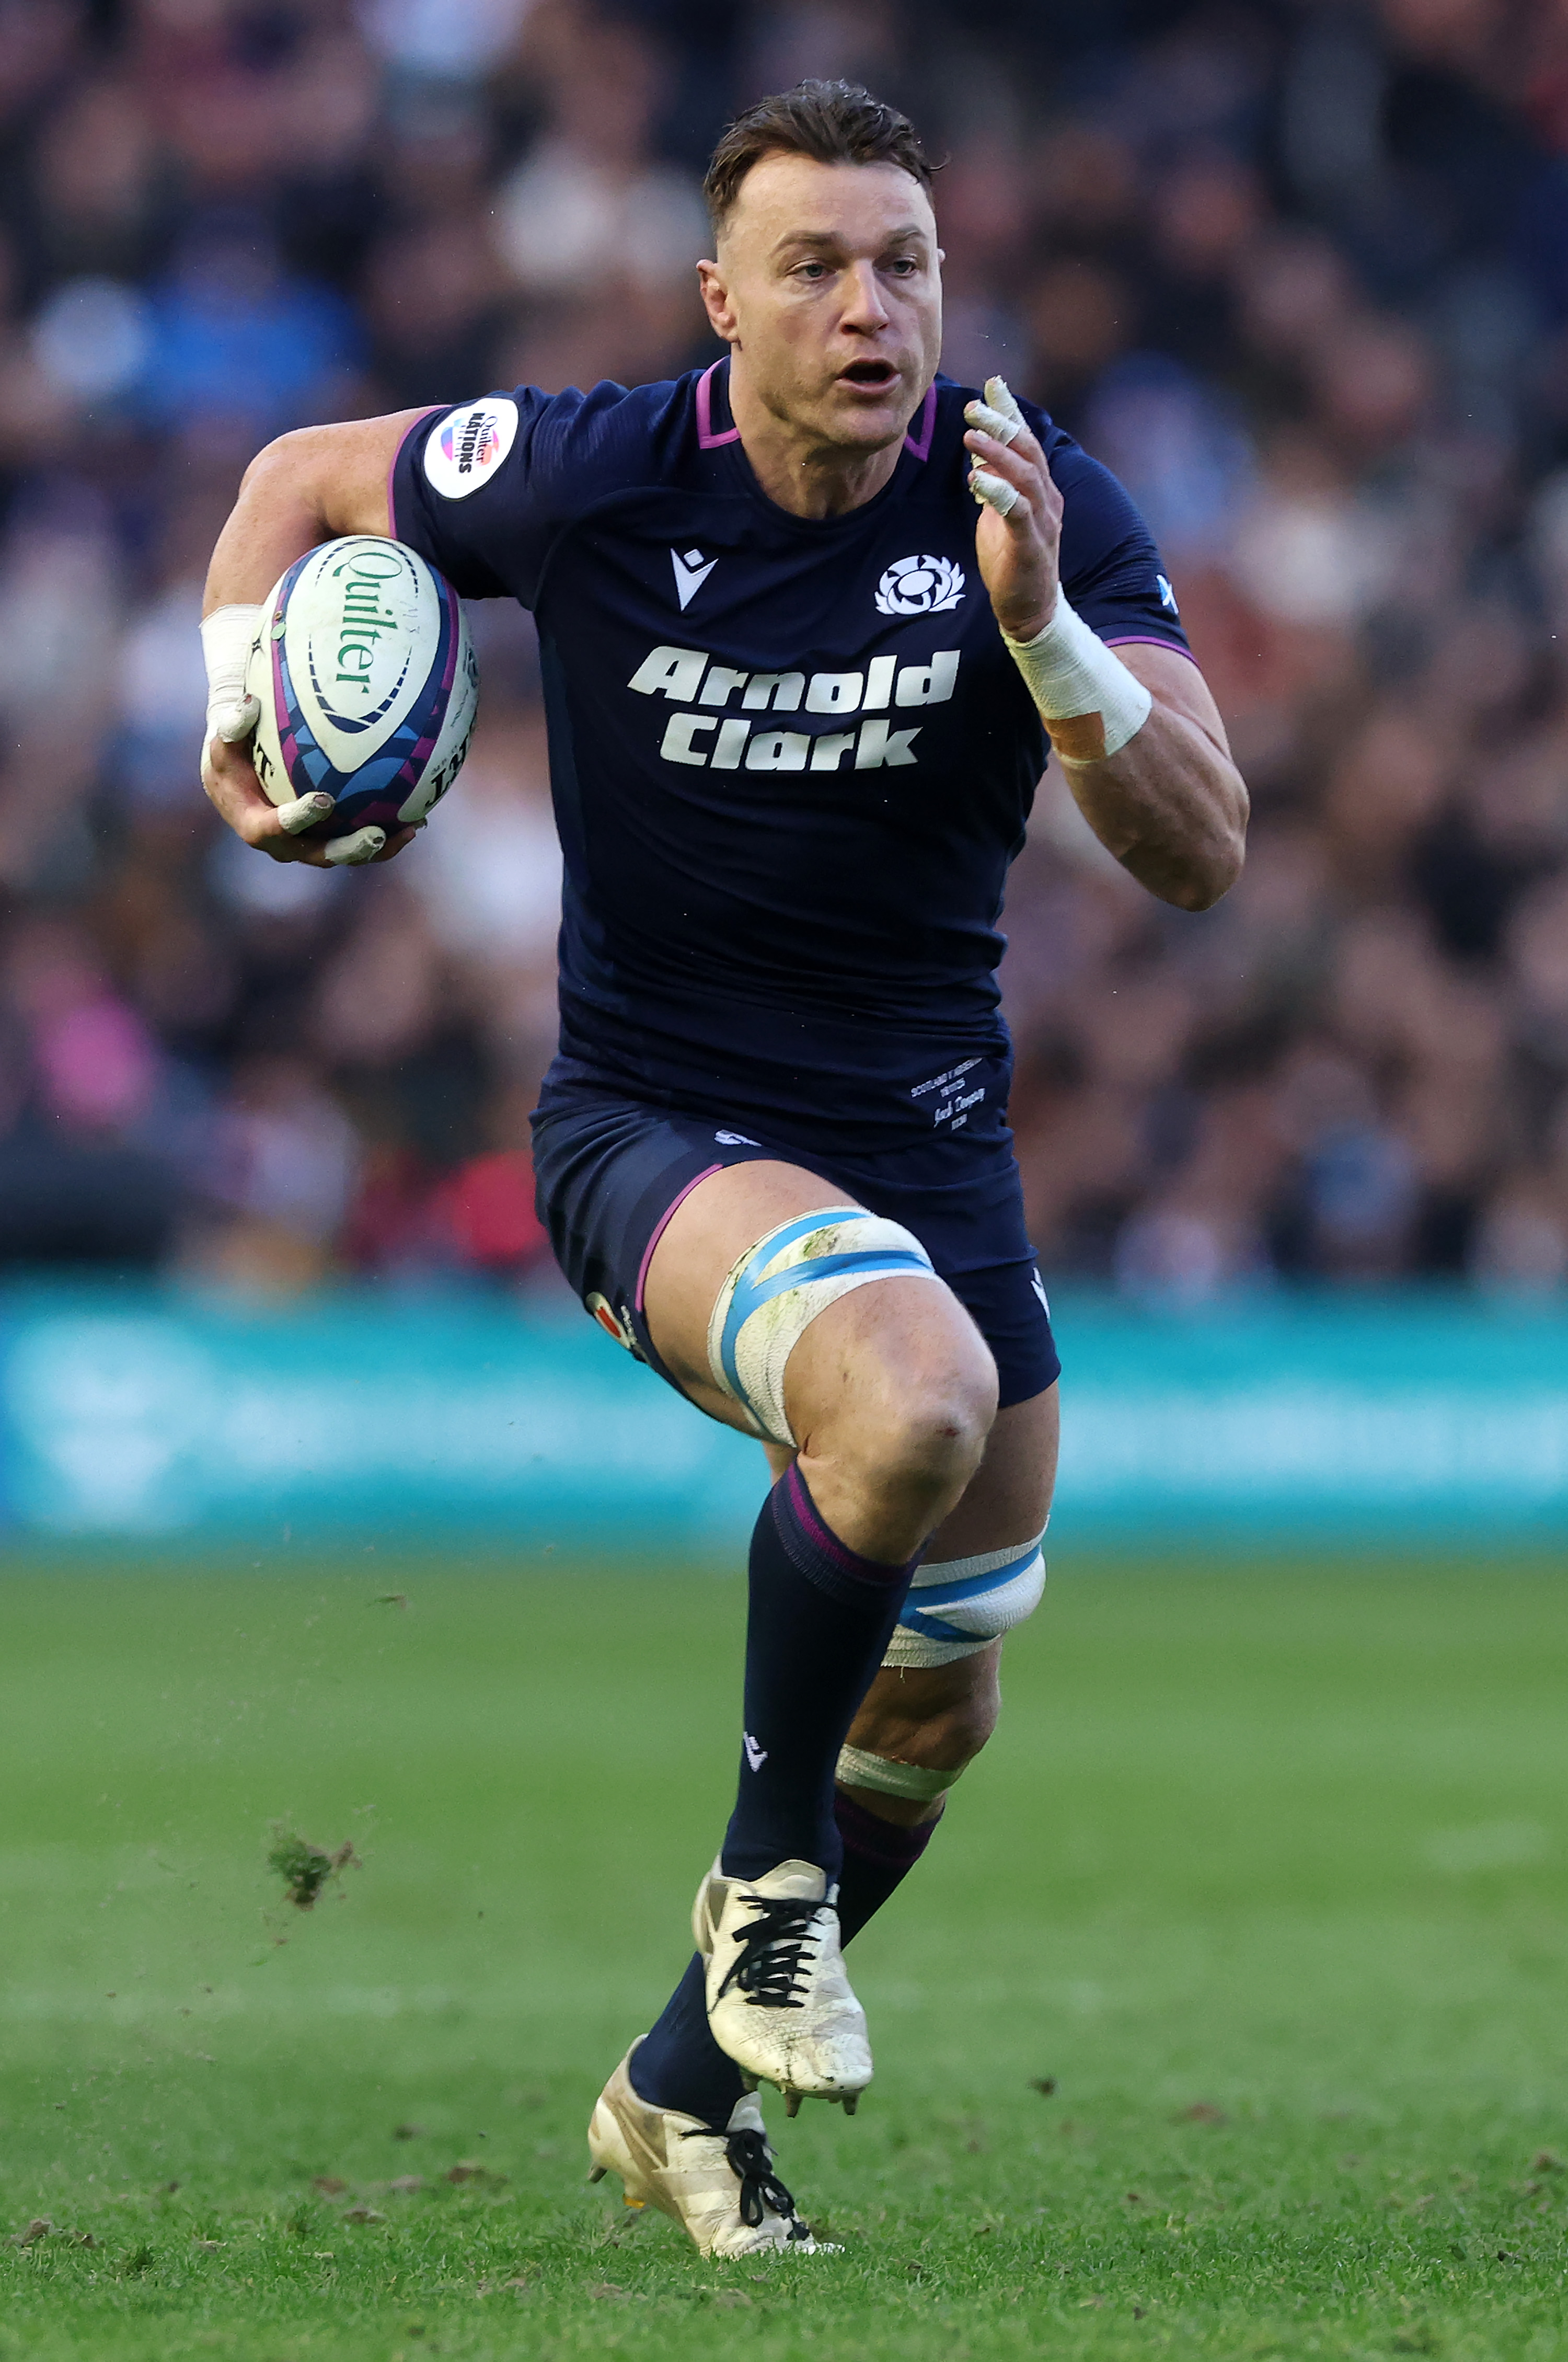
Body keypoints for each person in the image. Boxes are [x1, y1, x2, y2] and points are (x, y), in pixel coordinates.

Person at [199, 81, 1248, 2261]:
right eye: (816, 266)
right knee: (913, 1392)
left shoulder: (1032, 501)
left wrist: (1046, 630)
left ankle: (674, 2095)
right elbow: (300, 481)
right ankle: (766, 1881)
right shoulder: (589, 473)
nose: (870, 309)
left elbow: (1204, 854)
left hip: (931, 1157)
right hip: (655, 1135)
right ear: (722, 302)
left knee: (943, 1695)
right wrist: (242, 707)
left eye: (906, 268)